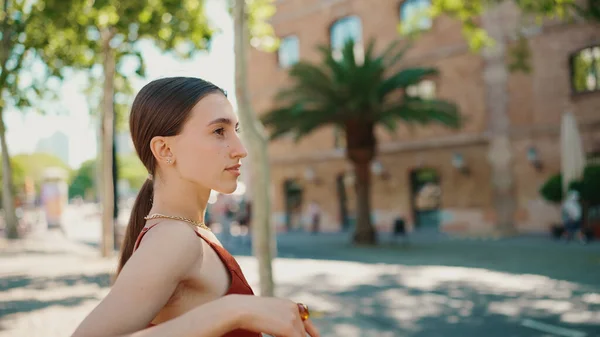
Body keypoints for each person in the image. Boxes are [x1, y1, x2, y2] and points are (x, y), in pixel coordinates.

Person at [71, 77, 320, 337]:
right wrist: (232, 310)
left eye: (236, 130)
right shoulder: (173, 238)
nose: (240, 149)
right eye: (218, 131)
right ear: (165, 149)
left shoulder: (191, 232)